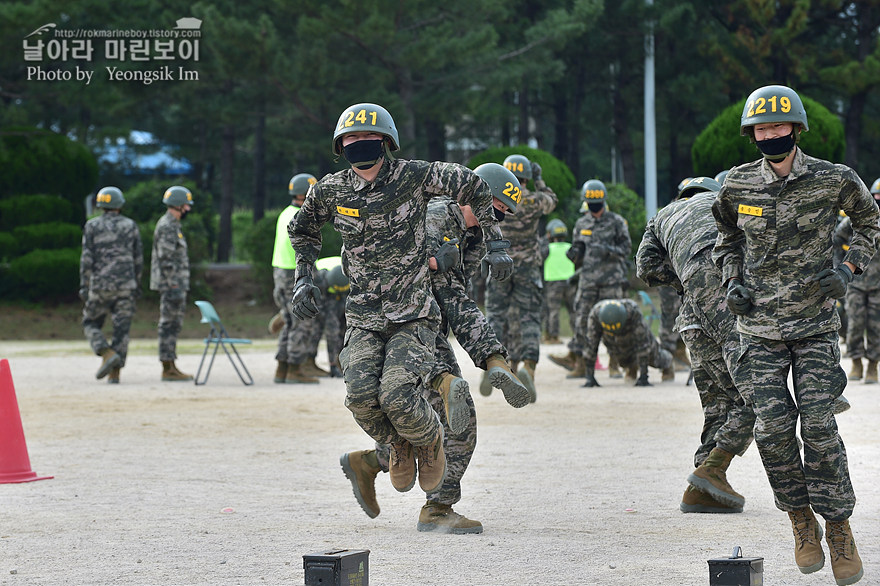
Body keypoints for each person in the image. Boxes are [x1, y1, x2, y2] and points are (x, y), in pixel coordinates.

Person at [289, 102, 513, 502]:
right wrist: (303, 277)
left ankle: (429, 444)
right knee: (358, 396)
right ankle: (397, 447)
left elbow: (474, 185)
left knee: (396, 392)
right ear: (341, 145)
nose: (361, 144)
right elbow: (302, 229)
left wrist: (495, 240)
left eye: (369, 138)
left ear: (386, 142)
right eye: (352, 138)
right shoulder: (330, 189)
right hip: (364, 317)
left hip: (414, 315)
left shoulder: (415, 177)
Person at [712, 84, 875, 585]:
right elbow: (725, 241)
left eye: (778, 127)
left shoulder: (834, 179)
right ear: (752, 133)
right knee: (772, 430)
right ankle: (801, 522)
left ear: (796, 128)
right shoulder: (737, 186)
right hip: (758, 329)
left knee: (821, 426)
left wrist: (848, 269)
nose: (770, 135)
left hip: (815, 326)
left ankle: (839, 527)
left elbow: (871, 222)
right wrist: (731, 281)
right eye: (761, 128)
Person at [340, 163, 529, 534]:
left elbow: (454, 295)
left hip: (428, 324)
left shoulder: (469, 234)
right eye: (495, 208)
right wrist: (486, 354)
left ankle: (370, 461)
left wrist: (489, 353)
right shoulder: (436, 215)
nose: (497, 220)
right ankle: (438, 508)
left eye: (503, 215)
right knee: (459, 420)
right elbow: (433, 285)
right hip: (404, 326)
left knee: (435, 416)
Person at [636, 177, 755, 514]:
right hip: (722, 283)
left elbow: (645, 266)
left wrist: (685, 281)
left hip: (690, 315)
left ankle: (700, 490)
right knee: (759, 388)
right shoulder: (723, 204)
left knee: (718, 402)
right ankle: (712, 468)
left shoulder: (661, 215)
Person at [482, 154, 557, 398]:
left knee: (495, 313)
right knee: (530, 317)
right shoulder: (534, 200)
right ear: (526, 177)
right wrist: (540, 180)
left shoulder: (498, 197)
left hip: (498, 262)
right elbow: (552, 201)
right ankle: (529, 368)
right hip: (528, 266)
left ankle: (492, 363)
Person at [549, 179, 631, 378]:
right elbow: (578, 247)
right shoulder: (581, 222)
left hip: (611, 280)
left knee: (614, 321)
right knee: (582, 321)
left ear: (603, 201)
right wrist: (574, 252)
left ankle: (614, 363)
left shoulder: (616, 221)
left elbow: (626, 249)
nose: (594, 206)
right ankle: (582, 365)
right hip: (587, 281)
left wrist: (609, 250)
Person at [79, 186, 143, 384]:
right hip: (126, 285)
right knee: (121, 330)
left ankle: (106, 352)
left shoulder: (92, 226)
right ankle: (115, 373)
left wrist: (85, 285)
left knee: (90, 322)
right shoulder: (130, 225)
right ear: (119, 205)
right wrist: (137, 284)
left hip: (100, 286)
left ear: (100, 205)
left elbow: (86, 259)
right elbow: (138, 258)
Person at [271, 173, 323, 384]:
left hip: (280, 273)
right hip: (294, 274)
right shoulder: (300, 216)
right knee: (302, 322)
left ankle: (282, 368)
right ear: (304, 195)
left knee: (290, 321)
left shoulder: (286, 213)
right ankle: (295, 368)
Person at [835, 177, 880, 384]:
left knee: (875, 326)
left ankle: (872, 365)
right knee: (854, 324)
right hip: (855, 281)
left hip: (878, 285)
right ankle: (856, 362)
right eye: (876, 196)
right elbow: (837, 238)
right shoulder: (856, 220)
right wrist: (841, 265)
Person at [150, 185, 194, 382]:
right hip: (171, 285)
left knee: (174, 324)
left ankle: (171, 364)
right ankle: (167, 367)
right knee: (168, 324)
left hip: (175, 283)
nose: (188, 209)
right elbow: (165, 259)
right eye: (186, 205)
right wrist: (173, 284)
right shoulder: (167, 226)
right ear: (178, 205)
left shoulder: (173, 225)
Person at [580, 299, 672, 387]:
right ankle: (632, 367)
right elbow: (591, 345)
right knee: (622, 359)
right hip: (614, 341)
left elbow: (643, 344)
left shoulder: (632, 311)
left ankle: (668, 363)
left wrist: (644, 376)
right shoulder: (595, 315)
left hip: (634, 336)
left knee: (655, 359)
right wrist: (589, 377)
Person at [542, 218, 576, 345]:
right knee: (573, 310)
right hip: (570, 282)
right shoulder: (570, 247)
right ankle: (577, 334)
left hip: (553, 283)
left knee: (553, 311)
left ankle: (553, 337)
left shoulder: (548, 248)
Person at [315, 257, 348, 378]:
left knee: (345, 325)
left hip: (343, 286)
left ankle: (344, 361)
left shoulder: (352, 271)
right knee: (331, 327)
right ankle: (333, 363)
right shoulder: (319, 277)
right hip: (323, 292)